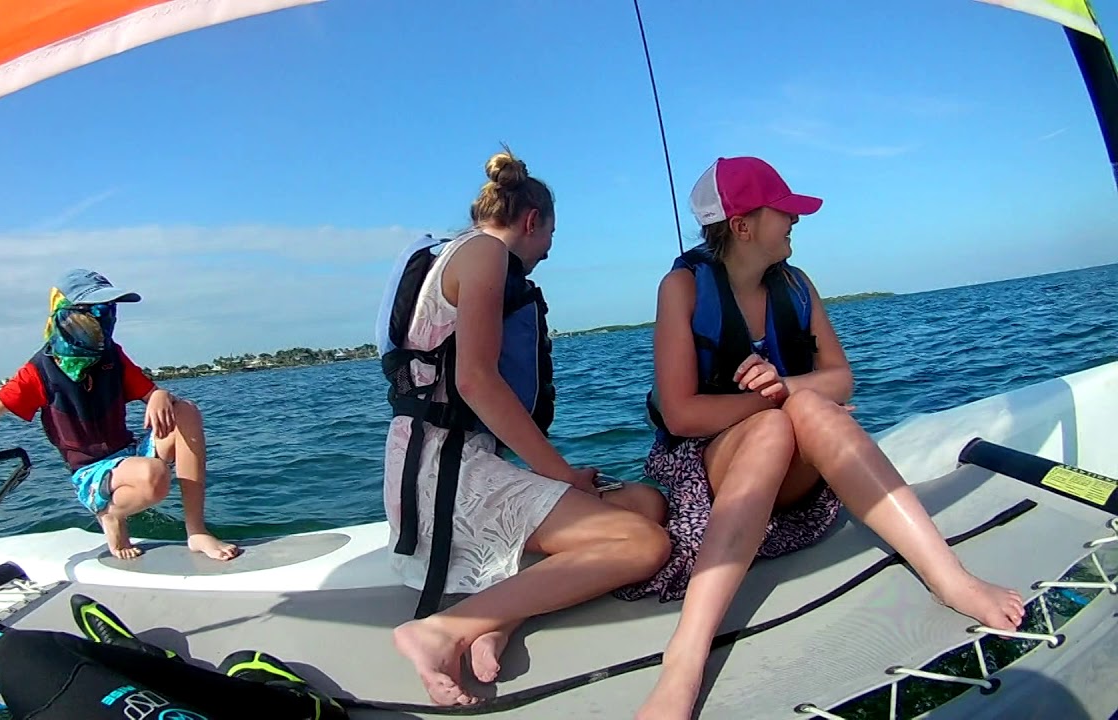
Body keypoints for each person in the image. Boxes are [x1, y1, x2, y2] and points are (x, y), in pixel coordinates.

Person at [620, 156, 1026, 720]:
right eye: (782, 211)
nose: (794, 221)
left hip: (793, 489)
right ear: (741, 225)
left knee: (806, 406)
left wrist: (786, 388)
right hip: (710, 476)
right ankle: (684, 660)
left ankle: (949, 578)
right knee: (772, 423)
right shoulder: (682, 288)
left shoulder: (796, 283)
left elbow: (841, 379)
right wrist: (769, 403)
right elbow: (683, 414)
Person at [377, 146, 671, 706]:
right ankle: (439, 630)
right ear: (531, 222)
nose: (543, 257)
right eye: (548, 242)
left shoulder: (451, 251)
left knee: (645, 504)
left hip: (455, 461)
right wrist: (560, 475)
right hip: (443, 476)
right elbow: (476, 383)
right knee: (643, 542)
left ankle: (499, 621)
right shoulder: (486, 253)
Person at [0, 269, 240, 563]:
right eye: (93, 312)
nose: (103, 320)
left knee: (186, 411)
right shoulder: (39, 372)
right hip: (92, 473)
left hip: (127, 453)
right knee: (154, 476)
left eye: (108, 311)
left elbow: (150, 393)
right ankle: (111, 515)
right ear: (67, 316)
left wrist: (159, 395)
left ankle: (196, 531)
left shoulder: (112, 355)